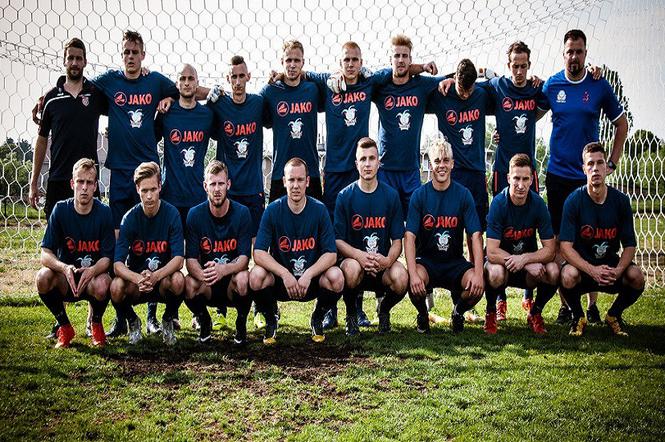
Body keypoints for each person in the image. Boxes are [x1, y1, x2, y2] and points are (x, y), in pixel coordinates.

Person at [91, 30, 180, 337]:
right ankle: (121, 315)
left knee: (155, 237)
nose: (130, 56)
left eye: (135, 52)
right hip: (119, 173)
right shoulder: (110, 81)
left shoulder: (155, 81)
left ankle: (155, 314)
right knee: (121, 242)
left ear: (144, 55)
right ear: (122, 55)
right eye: (126, 52)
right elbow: (76, 84)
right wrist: (50, 93)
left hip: (148, 172)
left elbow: (185, 88)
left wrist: (169, 97)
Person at [539, 29, 629, 325]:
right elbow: (530, 113)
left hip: (588, 177)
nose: (574, 56)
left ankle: (592, 304)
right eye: (569, 51)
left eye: (579, 51)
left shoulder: (598, 84)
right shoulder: (552, 86)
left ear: (586, 53)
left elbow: (621, 123)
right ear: (562, 53)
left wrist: (612, 161)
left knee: (588, 239)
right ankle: (567, 305)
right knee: (559, 242)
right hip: (558, 175)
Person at [29, 38, 108, 339]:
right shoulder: (51, 98)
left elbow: (121, 100)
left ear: (86, 62)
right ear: (64, 61)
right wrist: (35, 181)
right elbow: (41, 139)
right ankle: (61, 321)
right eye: (70, 58)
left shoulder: (95, 94)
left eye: (79, 58)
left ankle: (92, 317)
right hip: (60, 181)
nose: (74, 63)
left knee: (93, 246)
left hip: (88, 178)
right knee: (61, 250)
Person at [249, 158, 344, 344]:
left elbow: (331, 253)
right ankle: (271, 316)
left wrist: (309, 274)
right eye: (291, 180)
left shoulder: (319, 210)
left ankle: (318, 316)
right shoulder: (273, 210)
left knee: (336, 276)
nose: (295, 185)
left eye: (300, 180)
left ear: (308, 182)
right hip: (282, 282)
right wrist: (284, 274)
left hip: (311, 282)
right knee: (256, 276)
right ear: (284, 181)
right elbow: (259, 252)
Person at [208, 55, 268, 330]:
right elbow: (191, 89)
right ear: (227, 79)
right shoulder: (220, 104)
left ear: (248, 76)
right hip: (227, 191)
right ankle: (219, 308)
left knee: (257, 251)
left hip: (253, 189)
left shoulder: (258, 103)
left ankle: (259, 307)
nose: (237, 81)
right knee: (221, 246)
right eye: (233, 77)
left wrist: (278, 75)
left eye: (241, 76)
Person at [559, 142, 644, 336]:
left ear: (607, 167)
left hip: (610, 268)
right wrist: (591, 270)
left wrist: (618, 270)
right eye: (590, 164)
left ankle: (614, 315)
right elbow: (565, 247)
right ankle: (578, 316)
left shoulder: (621, 201)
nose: (595, 168)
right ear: (584, 169)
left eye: (600, 163)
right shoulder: (573, 201)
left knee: (636, 277)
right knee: (566, 274)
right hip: (584, 269)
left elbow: (630, 245)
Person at [404, 139, 484, 333]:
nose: (442, 165)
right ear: (430, 164)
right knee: (411, 280)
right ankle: (423, 314)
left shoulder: (463, 195)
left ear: (452, 164)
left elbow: (475, 236)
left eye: (446, 160)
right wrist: (413, 273)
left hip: (454, 262)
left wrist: (479, 274)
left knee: (477, 285)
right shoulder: (419, 195)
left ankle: (458, 312)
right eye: (437, 161)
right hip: (427, 262)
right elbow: (409, 237)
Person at [35, 158, 114, 348]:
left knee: (105, 282)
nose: (84, 187)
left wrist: (93, 270)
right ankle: (65, 327)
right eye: (80, 182)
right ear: (72, 184)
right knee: (43, 277)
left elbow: (107, 258)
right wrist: (64, 268)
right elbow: (45, 253)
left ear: (95, 186)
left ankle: (96, 323)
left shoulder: (104, 212)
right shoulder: (61, 209)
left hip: (91, 281)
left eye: (89, 182)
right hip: (67, 280)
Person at [334, 137, 408, 335]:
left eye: (372, 158)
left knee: (401, 277)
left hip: (380, 265)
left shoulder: (391, 196)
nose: (367, 164)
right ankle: (351, 315)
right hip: (356, 265)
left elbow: (397, 241)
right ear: (356, 163)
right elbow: (338, 240)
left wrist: (387, 260)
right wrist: (359, 256)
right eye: (363, 159)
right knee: (349, 269)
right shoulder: (344, 196)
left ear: (379, 162)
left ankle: (383, 311)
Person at [110, 162, 185, 345]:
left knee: (178, 280)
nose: (149, 196)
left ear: (160, 186)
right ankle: (133, 321)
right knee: (116, 286)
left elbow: (179, 259)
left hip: (161, 281)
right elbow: (117, 264)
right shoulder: (129, 218)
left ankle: (168, 319)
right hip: (139, 283)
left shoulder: (172, 214)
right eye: (144, 191)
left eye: (153, 189)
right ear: (137, 189)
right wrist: (137, 278)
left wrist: (156, 275)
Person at [484, 154, 559, 334]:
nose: (520, 184)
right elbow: (492, 251)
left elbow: (550, 249)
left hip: (529, 270)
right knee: (494, 272)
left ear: (532, 179)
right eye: (516, 178)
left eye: (525, 179)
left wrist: (525, 260)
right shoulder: (498, 204)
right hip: (504, 266)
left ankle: (535, 312)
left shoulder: (539, 204)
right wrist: (520, 261)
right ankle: (491, 312)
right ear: (509, 178)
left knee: (554, 271)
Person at [184, 161, 253, 344]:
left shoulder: (242, 213)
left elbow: (245, 259)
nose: (217, 189)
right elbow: (190, 260)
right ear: (205, 186)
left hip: (230, 281)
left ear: (228, 185)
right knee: (188, 283)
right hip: (208, 283)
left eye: (221, 184)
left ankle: (241, 322)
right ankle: (204, 319)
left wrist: (223, 269)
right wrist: (204, 274)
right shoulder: (194, 215)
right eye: (212, 184)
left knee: (245, 278)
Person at [372, 34, 442, 216]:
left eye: (405, 56)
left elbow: (450, 81)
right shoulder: (380, 87)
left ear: (410, 60)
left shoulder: (422, 85)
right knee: (385, 225)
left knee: (414, 226)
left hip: (411, 171)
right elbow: (357, 80)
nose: (400, 60)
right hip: (385, 169)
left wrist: (448, 79)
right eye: (397, 56)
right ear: (390, 59)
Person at [260, 40, 323, 202]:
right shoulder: (270, 91)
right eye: (288, 60)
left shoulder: (313, 89)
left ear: (303, 62)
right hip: (280, 174)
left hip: (311, 173)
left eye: (297, 60)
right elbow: (249, 106)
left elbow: (333, 82)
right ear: (282, 62)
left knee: (313, 224)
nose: (292, 65)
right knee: (278, 226)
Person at [154, 63, 215, 227]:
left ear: (197, 83)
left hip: (198, 196)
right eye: (182, 78)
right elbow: (149, 138)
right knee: (172, 250)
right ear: (176, 84)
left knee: (195, 251)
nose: (187, 83)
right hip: (170, 195)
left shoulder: (207, 115)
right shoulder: (166, 112)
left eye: (190, 79)